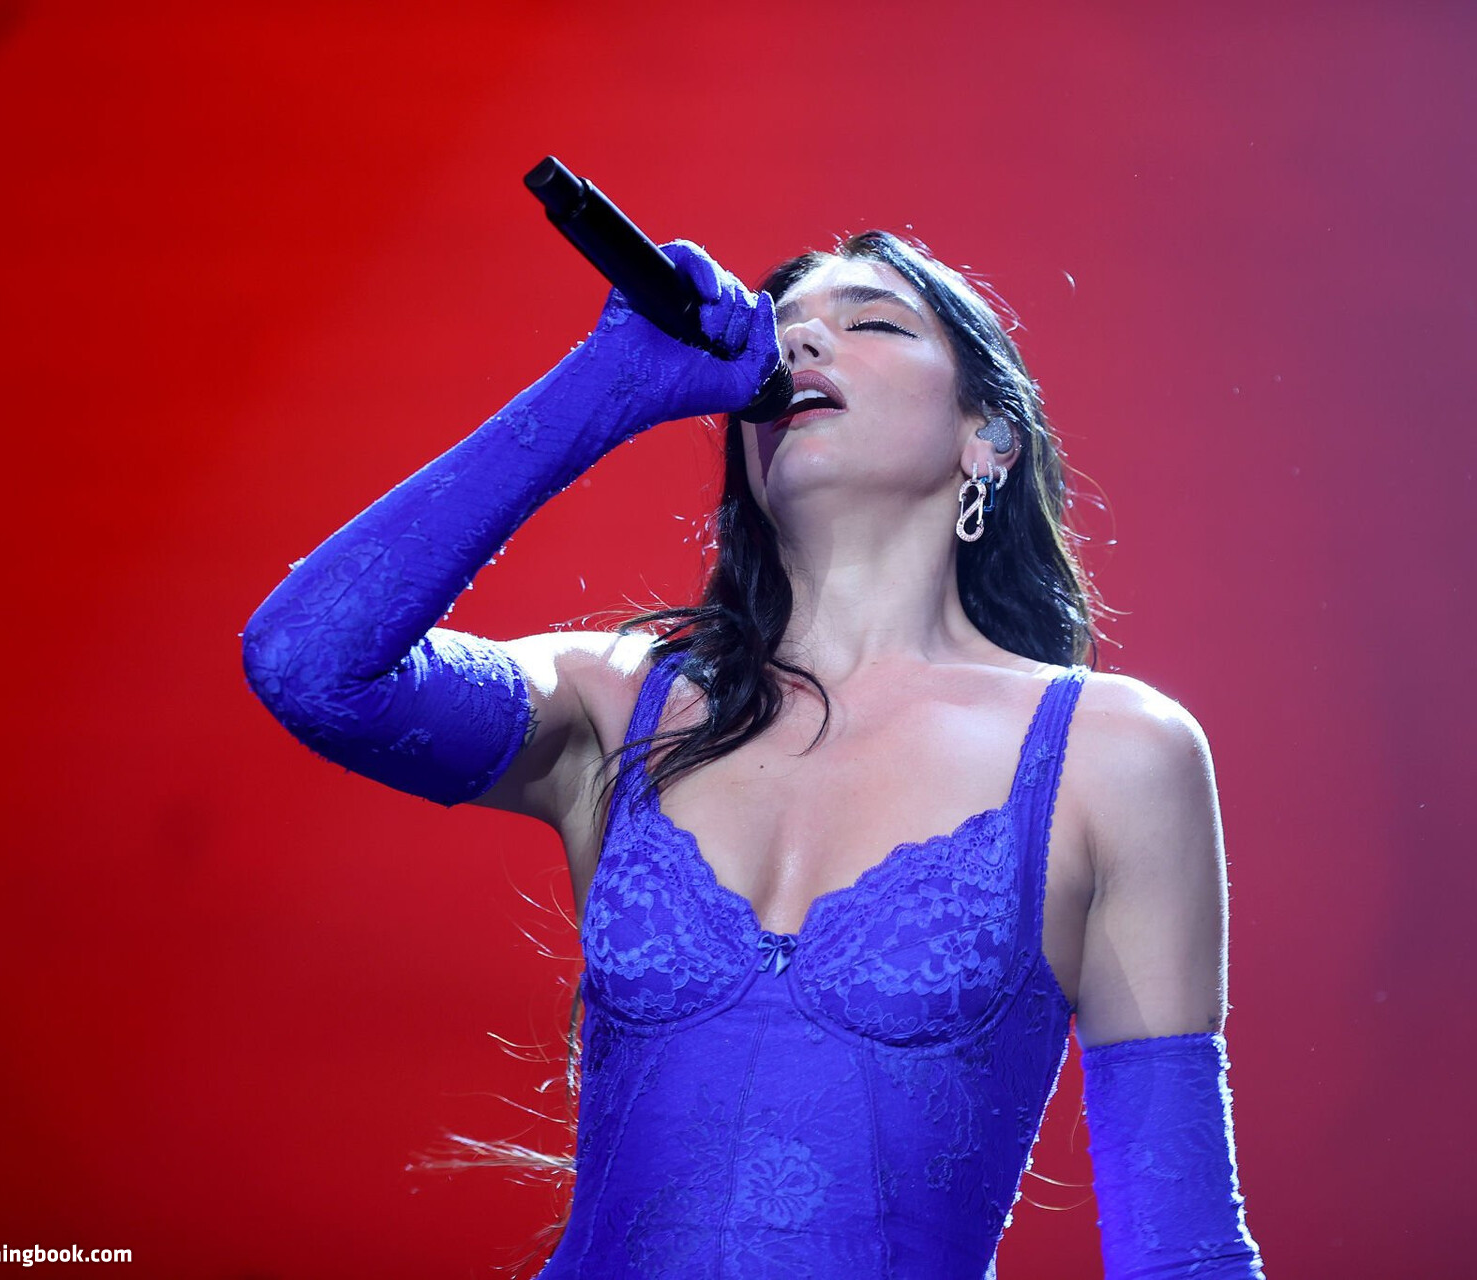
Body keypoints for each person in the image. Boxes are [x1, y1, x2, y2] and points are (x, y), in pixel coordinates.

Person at [241, 230, 1267, 1279]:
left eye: (872, 322)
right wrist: (607, 386)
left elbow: (1182, 1248)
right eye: (785, 331)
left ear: (988, 439)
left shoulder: (1111, 751)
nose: (807, 340)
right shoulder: (618, 701)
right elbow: (310, 664)